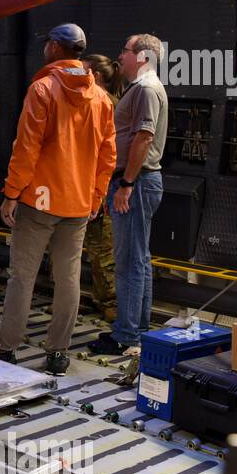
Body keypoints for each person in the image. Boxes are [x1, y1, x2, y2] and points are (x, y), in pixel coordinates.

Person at [0, 24, 115, 375]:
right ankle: (58, 353)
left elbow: (26, 148)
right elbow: (108, 156)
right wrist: (96, 197)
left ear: (57, 49)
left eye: (48, 43)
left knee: (23, 277)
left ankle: (8, 346)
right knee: (69, 279)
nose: (45, 47)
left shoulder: (43, 89)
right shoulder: (101, 99)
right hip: (77, 204)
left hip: (38, 202)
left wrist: (11, 194)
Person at [88, 33, 169, 355]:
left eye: (125, 50)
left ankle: (126, 335)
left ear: (142, 57)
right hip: (137, 182)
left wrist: (126, 184)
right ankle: (138, 329)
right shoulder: (139, 89)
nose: (120, 56)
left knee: (128, 263)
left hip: (135, 183)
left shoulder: (147, 90)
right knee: (139, 260)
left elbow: (143, 138)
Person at [81, 54, 125, 321]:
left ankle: (110, 303)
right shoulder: (108, 103)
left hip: (100, 186)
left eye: (83, 71)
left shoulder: (105, 104)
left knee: (101, 248)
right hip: (94, 184)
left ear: (95, 75)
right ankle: (103, 300)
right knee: (96, 248)